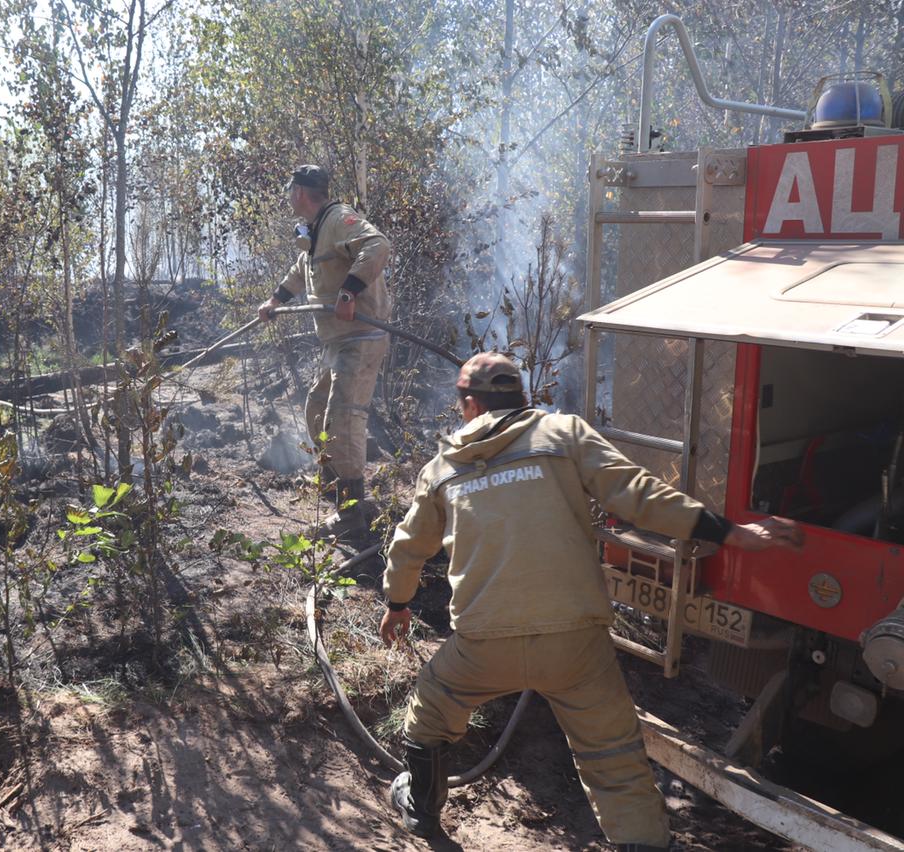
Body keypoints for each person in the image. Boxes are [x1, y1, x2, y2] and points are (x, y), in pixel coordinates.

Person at [379, 352, 804, 848]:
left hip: (482, 644)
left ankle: (421, 811)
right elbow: (640, 495)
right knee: (613, 758)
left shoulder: (443, 467)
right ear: (522, 398)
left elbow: (408, 548)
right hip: (575, 644)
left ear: (470, 404)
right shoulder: (565, 435)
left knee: (431, 711)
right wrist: (731, 533)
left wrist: (397, 603)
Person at [257, 165, 392, 541]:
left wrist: (349, 292)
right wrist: (275, 300)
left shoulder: (338, 219)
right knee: (316, 411)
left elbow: (377, 244)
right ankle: (340, 498)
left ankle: (351, 518)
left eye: (289, 190)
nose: (288, 197)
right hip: (338, 342)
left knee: (342, 419)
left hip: (361, 337)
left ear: (300, 192)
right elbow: (303, 271)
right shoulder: (317, 231)